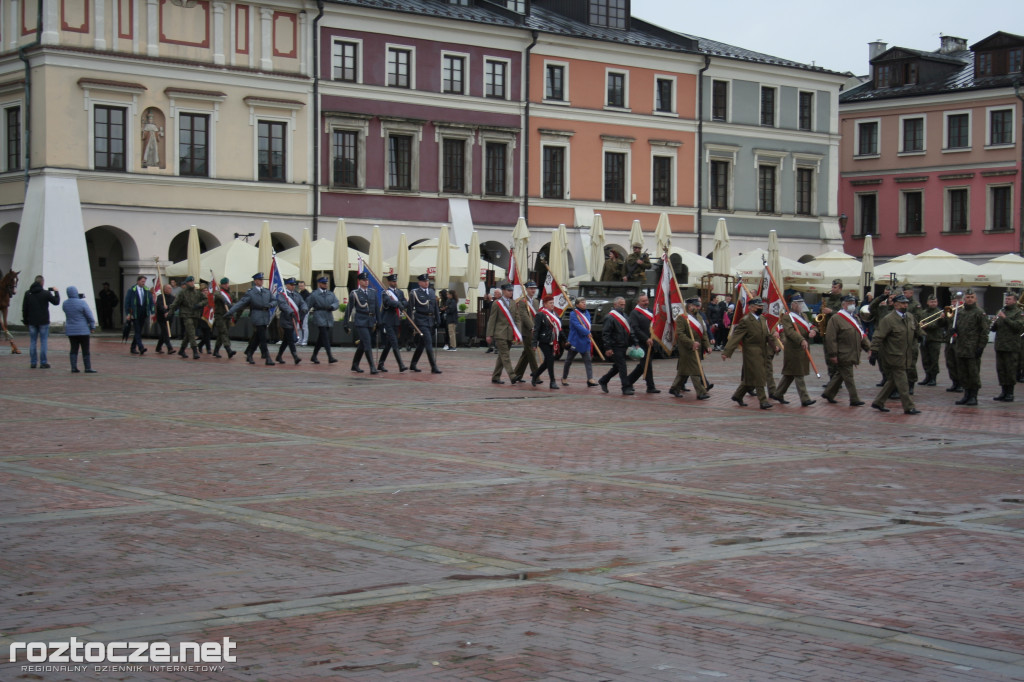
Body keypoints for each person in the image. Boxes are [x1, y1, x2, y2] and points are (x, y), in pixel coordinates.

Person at [869, 295, 920, 414]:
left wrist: (921, 335)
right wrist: (874, 351)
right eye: (902, 303)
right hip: (893, 356)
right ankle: (909, 406)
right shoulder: (888, 319)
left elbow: (917, 329)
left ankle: (879, 401)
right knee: (902, 382)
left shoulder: (910, 317)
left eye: (906, 303)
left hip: (906, 355)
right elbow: (878, 336)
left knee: (892, 381)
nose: (905, 305)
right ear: (895, 304)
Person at [722, 297, 775, 409]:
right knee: (759, 375)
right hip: (751, 351)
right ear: (751, 308)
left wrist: (775, 346)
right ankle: (763, 401)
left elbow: (767, 335)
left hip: (762, 351)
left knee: (750, 378)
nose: (761, 307)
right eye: (758, 306)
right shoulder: (745, 320)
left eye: (761, 306)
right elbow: (736, 337)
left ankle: (738, 395)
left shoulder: (762, 319)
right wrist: (727, 351)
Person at [821, 295, 870, 406]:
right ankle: (854, 398)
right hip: (842, 353)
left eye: (853, 302)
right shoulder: (836, 318)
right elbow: (831, 338)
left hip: (852, 352)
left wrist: (869, 348)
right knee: (848, 376)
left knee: (840, 375)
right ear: (843, 304)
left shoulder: (855, 318)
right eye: (849, 302)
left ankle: (828, 393)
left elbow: (861, 334)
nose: (852, 305)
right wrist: (833, 354)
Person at [773, 294, 818, 406]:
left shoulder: (803, 316)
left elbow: (811, 326)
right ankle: (805, 398)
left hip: (802, 348)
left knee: (790, 374)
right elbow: (789, 332)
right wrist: (801, 339)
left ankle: (778, 393)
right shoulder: (788, 317)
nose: (802, 306)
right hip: (793, 348)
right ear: (793, 305)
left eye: (802, 303)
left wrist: (814, 331)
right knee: (798, 373)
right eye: (799, 304)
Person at [228, 272, 277, 366]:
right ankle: (267, 357)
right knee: (262, 337)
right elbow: (241, 303)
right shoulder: (251, 293)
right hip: (257, 315)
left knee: (257, 337)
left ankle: (249, 353)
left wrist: (270, 305)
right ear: (255, 281)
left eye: (262, 280)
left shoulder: (266, 291)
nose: (261, 281)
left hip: (265, 316)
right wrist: (230, 312)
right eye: (259, 280)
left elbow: (274, 300)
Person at [669, 297, 712, 400]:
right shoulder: (682, 318)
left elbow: (703, 334)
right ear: (689, 306)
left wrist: (707, 346)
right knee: (695, 370)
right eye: (695, 305)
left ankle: (675, 388)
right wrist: (691, 342)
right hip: (687, 348)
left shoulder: (699, 317)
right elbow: (680, 334)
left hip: (698, 348)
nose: (698, 307)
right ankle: (701, 392)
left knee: (684, 371)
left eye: (698, 305)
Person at [951, 288, 988, 406]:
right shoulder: (960, 313)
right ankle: (966, 395)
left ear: (975, 299)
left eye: (972, 297)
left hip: (972, 348)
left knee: (973, 373)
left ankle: (973, 396)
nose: (970, 299)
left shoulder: (979, 313)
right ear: (964, 299)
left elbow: (984, 332)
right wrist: (953, 330)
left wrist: (981, 347)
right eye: (967, 297)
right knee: (963, 373)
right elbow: (958, 329)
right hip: (961, 347)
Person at [597, 296, 637, 395]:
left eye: (624, 305)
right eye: (621, 305)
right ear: (615, 305)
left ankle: (604, 380)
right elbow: (606, 334)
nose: (623, 307)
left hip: (624, 345)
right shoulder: (609, 317)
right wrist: (608, 348)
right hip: (615, 346)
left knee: (617, 367)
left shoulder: (625, 316)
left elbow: (630, 331)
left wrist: (635, 343)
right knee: (622, 366)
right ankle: (626, 387)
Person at [991, 289, 1024, 401]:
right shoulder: (1002, 310)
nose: (1007, 301)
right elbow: (994, 329)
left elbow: (1018, 327)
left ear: (1015, 301)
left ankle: (1010, 393)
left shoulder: (1018, 312)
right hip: (1000, 345)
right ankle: (1003, 392)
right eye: (1006, 299)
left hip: (1011, 346)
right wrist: (995, 321)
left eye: (1009, 299)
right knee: (1001, 369)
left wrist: (1005, 318)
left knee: (1010, 370)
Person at [21, 275, 60, 368]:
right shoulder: (45, 293)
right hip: (43, 321)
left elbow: (24, 308)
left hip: (32, 321)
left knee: (33, 342)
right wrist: (56, 292)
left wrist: (25, 320)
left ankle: (33, 362)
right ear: (42, 282)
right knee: (43, 341)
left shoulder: (28, 293)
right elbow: (56, 302)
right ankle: (43, 362)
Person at [344, 271, 379, 374]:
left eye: (367, 280)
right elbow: (349, 309)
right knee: (367, 343)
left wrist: (379, 321)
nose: (366, 282)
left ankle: (355, 364)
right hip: (361, 321)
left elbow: (376, 308)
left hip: (371, 321)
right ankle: (372, 367)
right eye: (364, 280)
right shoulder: (354, 293)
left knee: (363, 344)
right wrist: (345, 323)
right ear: (359, 281)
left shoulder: (372, 292)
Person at [408, 274, 442, 373]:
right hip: (421, 320)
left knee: (421, 344)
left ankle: (413, 364)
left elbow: (435, 307)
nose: (426, 283)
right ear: (419, 283)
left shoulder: (431, 292)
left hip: (430, 320)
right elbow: (410, 309)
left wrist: (438, 319)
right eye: (424, 281)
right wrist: (411, 323)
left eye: (427, 281)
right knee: (428, 342)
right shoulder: (414, 293)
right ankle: (433, 366)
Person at [486, 283, 519, 384]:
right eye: (509, 291)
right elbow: (492, 319)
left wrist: (518, 332)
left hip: (510, 333)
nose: (511, 292)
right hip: (500, 333)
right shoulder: (497, 303)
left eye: (511, 291)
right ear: (503, 291)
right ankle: (512, 375)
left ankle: (496, 376)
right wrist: (489, 334)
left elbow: (517, 318)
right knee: (505, 355)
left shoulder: (513, 303)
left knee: (502, 356)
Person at [625, 293, 659, 393]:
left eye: (647, 300)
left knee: (643, 365)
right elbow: (635, 328)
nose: (646, 303)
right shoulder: (634, 313)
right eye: (643, 301)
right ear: (638, 302)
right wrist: (645, 339)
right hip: (641, 343)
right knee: (647, 365)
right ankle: (650, 387)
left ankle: (628, 381)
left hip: (651, 342)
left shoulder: (650, 311)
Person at [561, 297, 598, 387]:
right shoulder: (573, 314)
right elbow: (577, 326)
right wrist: (587, 332)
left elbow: (588, 324)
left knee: (588, 360)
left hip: (585, 340)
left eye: (584, 302)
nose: (584, 304)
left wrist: (588, 333)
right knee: (569, 360)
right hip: (575, 340)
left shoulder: (587, 313)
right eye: (582, 302)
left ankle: (590, 379)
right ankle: (564, 377)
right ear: (577, 304)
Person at [510, 281, 540, 383]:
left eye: (534, 288)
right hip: (527, 331)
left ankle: (516, 374)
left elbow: (537, 316)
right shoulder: (523, 301)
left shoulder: (536, 301)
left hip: (535, 331)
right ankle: (536, 375)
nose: (533, 290)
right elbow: (524, 316)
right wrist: (532, 327)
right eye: (531, 288)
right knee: (531, 353)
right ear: (526, 289)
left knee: (526, 354)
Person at [168, 275, 205, 359]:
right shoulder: (182, 292)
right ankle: (195, 351)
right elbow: (175, 303)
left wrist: (199, 304)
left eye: (193, 281)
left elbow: (206, 300)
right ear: (187, 283)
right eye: (190, 282)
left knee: (188, 334)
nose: (192, 283)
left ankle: (182, 350)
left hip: (195, 315)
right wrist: (170, 313)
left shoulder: (197, 292)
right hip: (186, 315)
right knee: (192, 333)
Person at [62, 285, 97, 373]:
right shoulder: (82, 303)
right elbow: (89, 315)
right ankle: (87, 367)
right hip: (83, 330)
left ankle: (74, 367)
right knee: (85, 349)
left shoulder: (65, 303)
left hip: (71, 330)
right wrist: (92, 326)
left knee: (73, 349)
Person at [378, 273, 408, 372]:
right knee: (394, 342)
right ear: (389, 282)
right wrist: (398, 304)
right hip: (388, 320)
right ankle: (401, 365)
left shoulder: (399, 292)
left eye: (395, 281)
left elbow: (405, 301)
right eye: (393, 281)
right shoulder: (385, 292)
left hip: (396, 320)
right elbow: (388, 302)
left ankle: (380, 363)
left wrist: (402, 304)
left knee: (389, 344)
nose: (394, 283)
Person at [530, 295, 561, 389]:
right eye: (550, 303)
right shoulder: (540, 314)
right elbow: (536, 329)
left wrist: (565, 340)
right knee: (550, 360)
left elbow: (559, 328)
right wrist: (534, 343)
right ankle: (552, 381)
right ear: (545, 304)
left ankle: (535, 375)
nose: (552, 305)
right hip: (544, 341)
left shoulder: (555, 314)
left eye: (553, 303)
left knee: (548, 361)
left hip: (553, 340)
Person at [306, 275, 339, 365]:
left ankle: (314, 356)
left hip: (328, 315)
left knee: (321, 338)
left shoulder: (330, 293)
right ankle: (330, 356)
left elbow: (336, 302)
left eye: (326, 283)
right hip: (319, 315)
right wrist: (303, 314)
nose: (325, 285)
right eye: (323, 283)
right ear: (319, 284)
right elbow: (308, 305)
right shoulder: (314, 294)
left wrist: (332, 307)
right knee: (325, 336)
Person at [275, 277, 307, 365]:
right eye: (291, 285)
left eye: (294, 285)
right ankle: (295, 356)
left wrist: (304, 309)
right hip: (286, 320)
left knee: (286, 340)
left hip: (294, 320)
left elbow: (302, 302)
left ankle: (279, 355)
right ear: (287, 285)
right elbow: (283, 305)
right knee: (291, 339)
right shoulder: (283, 295)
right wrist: (290, 311)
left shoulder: (296, 294)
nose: (293, 287)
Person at [918, 294, 945, 387]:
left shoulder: (940, 313)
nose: (933, 303)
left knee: (934, 359)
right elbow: (920, 323)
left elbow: (938, 325)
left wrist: (927, 326)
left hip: (935, 338)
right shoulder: (923, 312)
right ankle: (927, 376)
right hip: (925, 338)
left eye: (935, 302)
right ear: (927, 302)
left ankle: (933, 377)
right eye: (931, 302)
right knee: (925, 359)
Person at [124, 275, 151, 355]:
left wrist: (150, 311)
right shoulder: (132, 290)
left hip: (143, 314)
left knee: (138, 331)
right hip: (135, 313)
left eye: (144, 281)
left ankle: (133, 347)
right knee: (137, 330)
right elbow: (127, 303)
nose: (143, 283)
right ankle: (141, 347)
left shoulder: (146, 290)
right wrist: (128, 313)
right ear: (138, 281)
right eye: (142, 281)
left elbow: (149, 301)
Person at [211, 278, 236, 359]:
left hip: (227, 316)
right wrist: (223, 299)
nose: (226, 285)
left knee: (221, 335)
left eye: (227, 283)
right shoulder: (218, 292)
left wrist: (232, 305)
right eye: (224, 284)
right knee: (224, 332)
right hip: (220, 316)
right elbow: (217, 296)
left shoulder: (231, 293)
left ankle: (216, 350)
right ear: (221, 285)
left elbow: (235, 301)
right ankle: (229, 350)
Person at [154, 284, 175, 354]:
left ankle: (158, 347)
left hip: (170, 317)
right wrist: (164, 311)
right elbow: (159, 306)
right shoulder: (160, 297)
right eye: (169, 288)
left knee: (164, 333)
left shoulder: (173, 297)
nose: (170, 290)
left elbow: (174, 306)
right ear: (165, 289)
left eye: (171, 288)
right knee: (166, 332)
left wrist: (168, 308)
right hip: (162, 318)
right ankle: (170, 348)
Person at [297, 280, 311, 345]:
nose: (300, 287)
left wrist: (306, 310)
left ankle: (304, 340)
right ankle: (300, 340)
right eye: (300, 286)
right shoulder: (300, 293)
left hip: (305, 311)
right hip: (299, 311)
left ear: (304, 286)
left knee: (304, 326)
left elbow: (308, 303)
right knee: (299, 326)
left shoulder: (307, 294)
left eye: (302, 286)